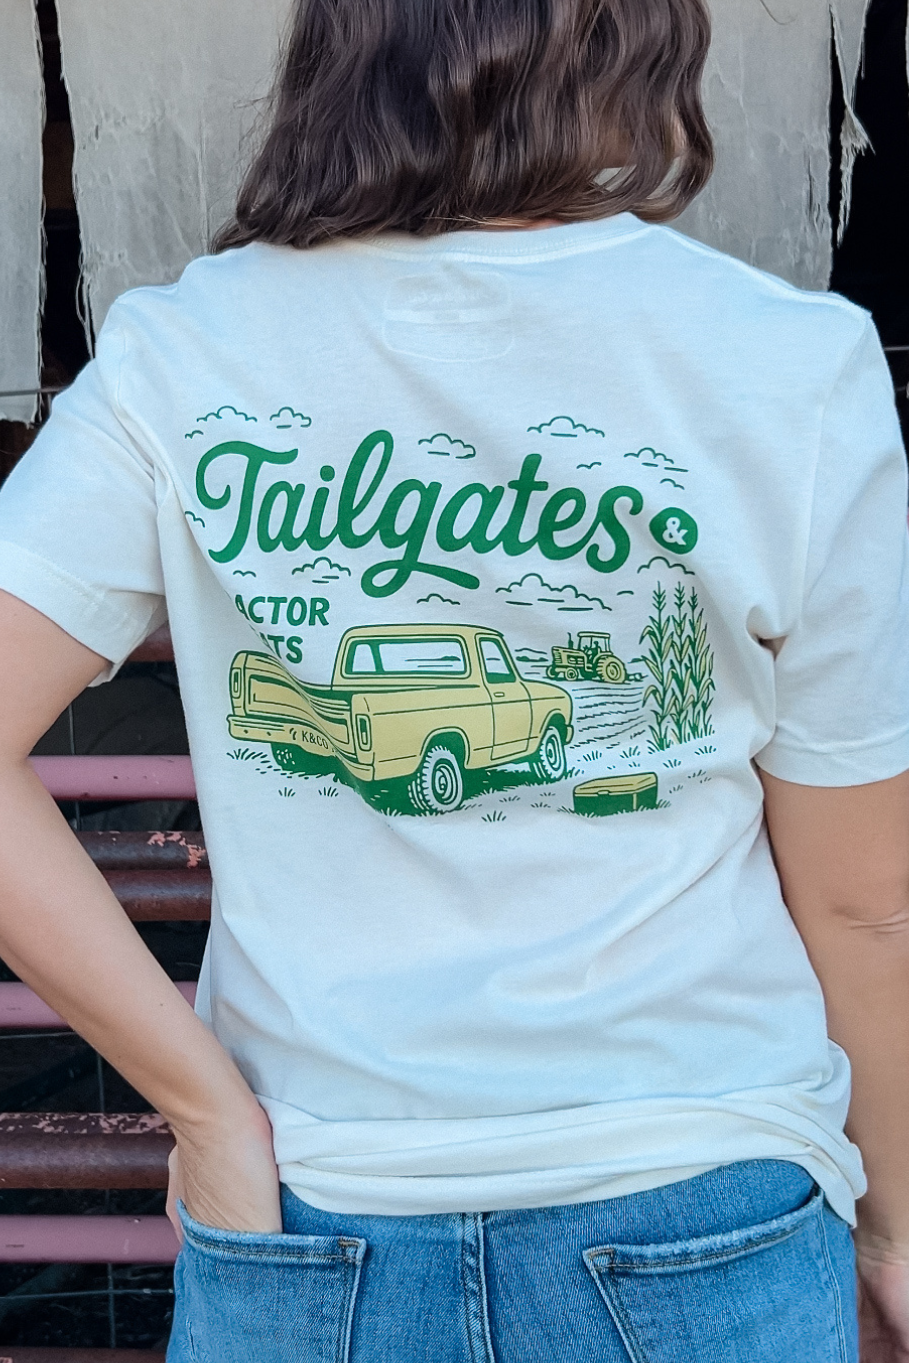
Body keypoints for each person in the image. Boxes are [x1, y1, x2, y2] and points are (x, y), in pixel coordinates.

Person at [0, 0, 907, 1357]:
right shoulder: (796, 364)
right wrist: (892, 1218)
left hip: (310, 1204)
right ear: (637, 45)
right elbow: (859, 898)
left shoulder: (184, 352)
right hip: (704, 1188)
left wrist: (205, 1111)